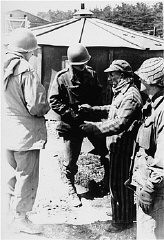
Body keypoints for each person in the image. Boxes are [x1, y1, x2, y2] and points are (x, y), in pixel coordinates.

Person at [80, 59, 143, 232]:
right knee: (116, 182)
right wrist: (92, 109)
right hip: (117, 145)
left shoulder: (131, 95)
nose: (109, 78)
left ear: (123, 75)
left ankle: (122, 221)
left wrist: (95, 127)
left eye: (112, 74)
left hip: (124, 147)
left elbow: (120, 123)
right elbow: (112, 109)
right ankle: (121, 212)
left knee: (119, 183)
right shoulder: (123, 92)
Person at [49, 43, 109, 207]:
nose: (82, 67)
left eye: (83, 63)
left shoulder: (92, 74)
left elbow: (99, 95)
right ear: (71, 64)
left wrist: (94, 110)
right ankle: (71, 188)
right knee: (71, 160)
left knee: (105, 152)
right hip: (71, 124)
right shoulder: (62, 77)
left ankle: (106, 183)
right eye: (78, 65)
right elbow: (54, 101)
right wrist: (69, 113)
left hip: (90, 120)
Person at [3, 28, 50, 234]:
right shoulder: (25, 68)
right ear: (28, 50)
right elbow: (36, 106)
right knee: (27, 176)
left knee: (10, 174)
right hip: (25, 133)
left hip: (6, 129)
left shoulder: (4, 65)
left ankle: (6, 216)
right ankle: (21, 218)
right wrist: (46, 105)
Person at [131, 57, 164, 240]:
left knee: (152, 234)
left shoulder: (163, 110)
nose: (139, 80)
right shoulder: (152, 105)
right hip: (147, 182)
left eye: (143, 77)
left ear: (154, 81)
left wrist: (150, 188)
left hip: (156, 189)